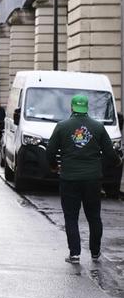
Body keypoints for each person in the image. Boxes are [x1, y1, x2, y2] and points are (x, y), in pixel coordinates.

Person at [45, 94, 122, 264]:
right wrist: (117, 163)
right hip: (92, 179)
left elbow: (50, 151)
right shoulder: (98, 127)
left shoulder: (62, 126)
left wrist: (53, 166)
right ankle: (95, 252)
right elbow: (110, 153)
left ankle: (75, 254)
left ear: (71, 108)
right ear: (87, 108)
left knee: (71, 216)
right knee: (94, 216)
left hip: (69, 178)